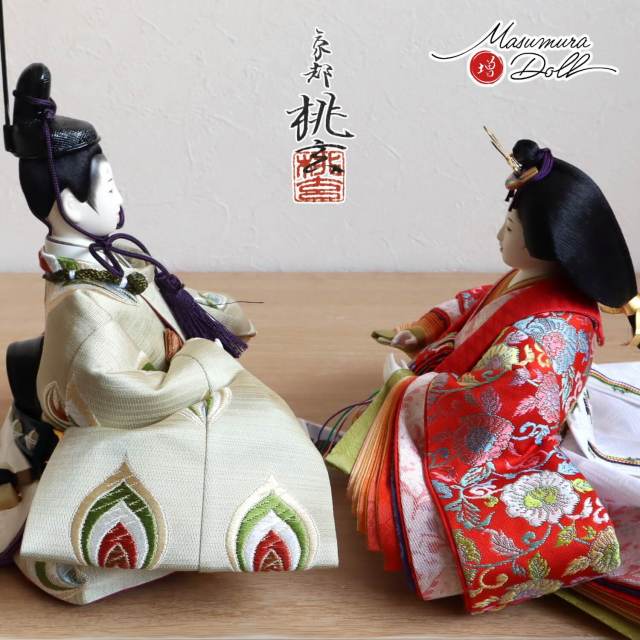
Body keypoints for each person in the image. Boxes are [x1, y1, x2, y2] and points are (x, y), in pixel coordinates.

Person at [0, 63, 337, 604]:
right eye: (111, 187)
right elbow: (109, 392)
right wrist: (203, 363)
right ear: (72, 205)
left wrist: (213, 313)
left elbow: (156, 295)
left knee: (262, 414)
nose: (120, 198)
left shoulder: (101, 261)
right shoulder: (81, 303)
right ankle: (198, 537)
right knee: (256, 432)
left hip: (165, 370)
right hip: (132, 408)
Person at [325, 130, 639, 614]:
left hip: (510, 437)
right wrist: (425, 328)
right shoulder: (530, 280)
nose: (499, 236)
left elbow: (503, 404)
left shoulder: (552, 333)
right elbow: (478, 303)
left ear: (548, 244)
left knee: (448, 503)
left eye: (510, 229)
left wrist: (415, 389)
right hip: (464, 380)